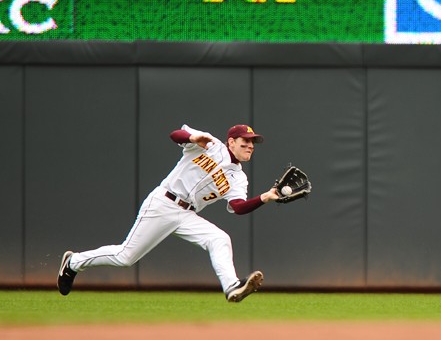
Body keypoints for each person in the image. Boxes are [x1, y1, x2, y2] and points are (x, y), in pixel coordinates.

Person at [57, 124, 280, 302]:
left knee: (219, 238)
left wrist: (265, 197)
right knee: (126, 257)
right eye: (246, 141)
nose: (251, 145)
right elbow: (175, 134)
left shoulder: (239, 178)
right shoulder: (210, 144)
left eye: (253, 142)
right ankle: (74, 262)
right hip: (163, 203)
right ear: (231, 141)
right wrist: (192, 138)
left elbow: (238, 207)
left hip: (187, 214)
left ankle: (232, 286)